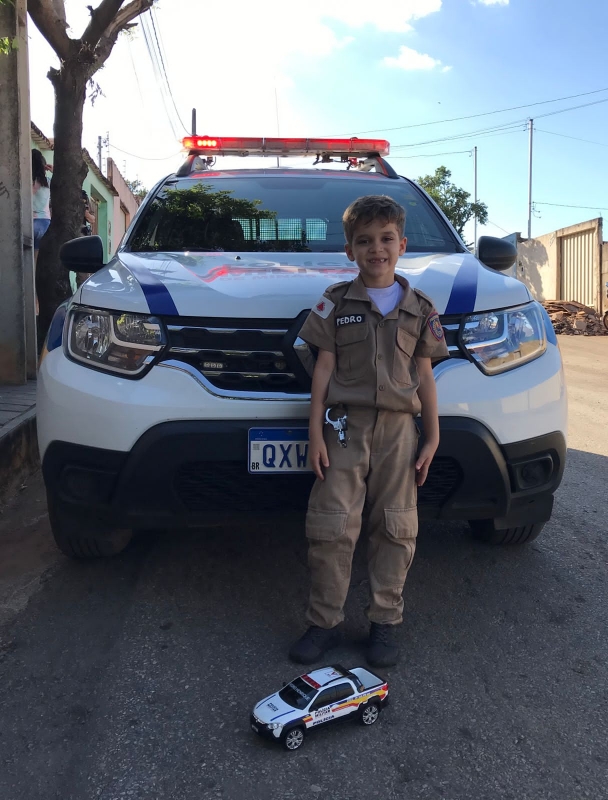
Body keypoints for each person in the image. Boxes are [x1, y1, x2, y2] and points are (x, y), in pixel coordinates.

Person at [290, 195, 448, 669]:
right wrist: (314, 431)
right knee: (332, 523)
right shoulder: (336, 302)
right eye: (364, 241)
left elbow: (425, 377)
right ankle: (324, 622)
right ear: (349, 250)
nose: (376, 249)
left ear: (402, 245)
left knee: (396, 525)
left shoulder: (420, 307)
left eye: (385, 239)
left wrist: (433, 436)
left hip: (400, 431)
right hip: (344, 428)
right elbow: (323, 369)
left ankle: (384, 622)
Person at [32, 149, 52, 314]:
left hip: (29, 224)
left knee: (29, 269)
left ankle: (31, 306)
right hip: (45, 225)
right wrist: (53, 170)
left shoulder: (24, 180)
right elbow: (63, 183)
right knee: (40, 270)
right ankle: (39, 308)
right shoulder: (48, 182)